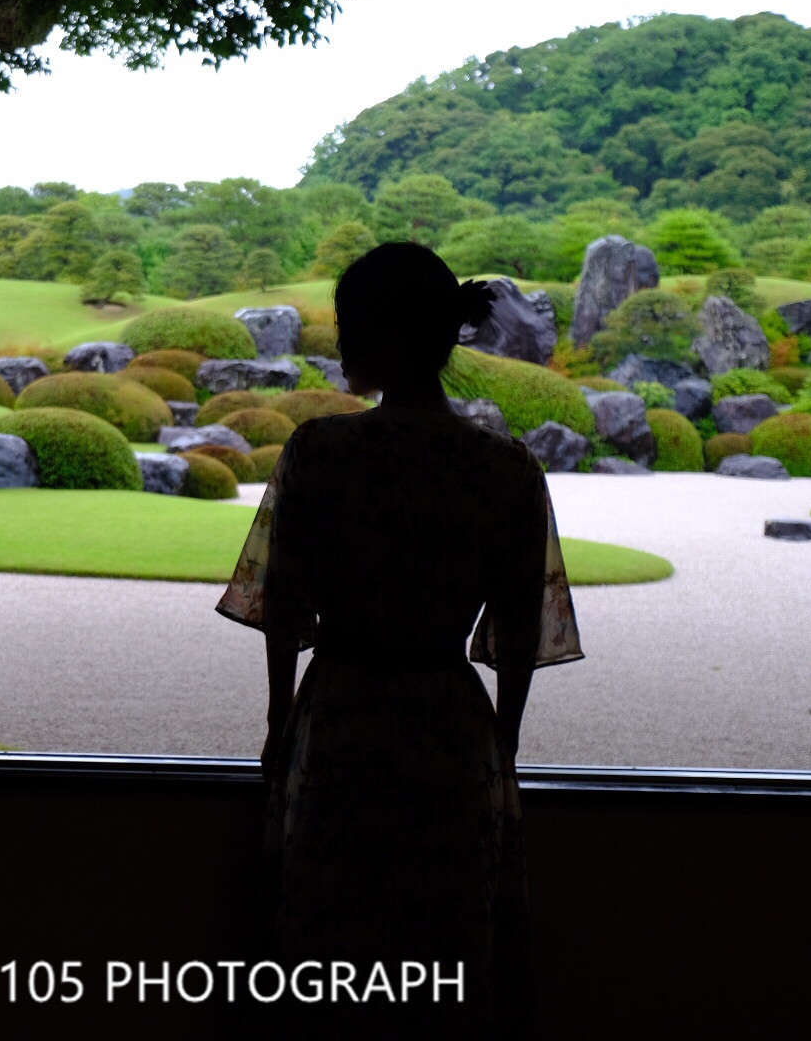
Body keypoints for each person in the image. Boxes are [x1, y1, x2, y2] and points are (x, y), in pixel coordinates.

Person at [217, 242, 583, 1039]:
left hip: (339, 720)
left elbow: (282, 609)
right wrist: (504, 745)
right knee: (443, 965)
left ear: (384, 333)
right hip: (453, 730)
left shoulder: (320, 453)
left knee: (329, 951)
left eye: (348, 325)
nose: (340, 345)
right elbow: (520, 635)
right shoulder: (506, 470)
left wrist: (279, 722)